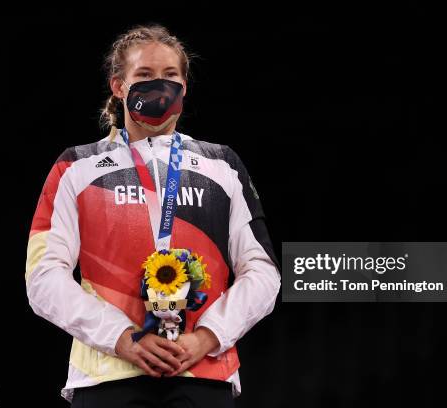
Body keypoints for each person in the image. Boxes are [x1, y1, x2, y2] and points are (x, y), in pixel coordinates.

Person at [25, 24, 281, 407]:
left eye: (170, 76)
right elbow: (43, 277)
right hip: (106, 375)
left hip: (204, 373)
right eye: (144, 76)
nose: (159, 86)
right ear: (118, 86)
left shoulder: (222, 165)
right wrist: (121, 337)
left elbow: (263, 271)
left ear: (185, 86)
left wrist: (207, 337)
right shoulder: (75, 166)